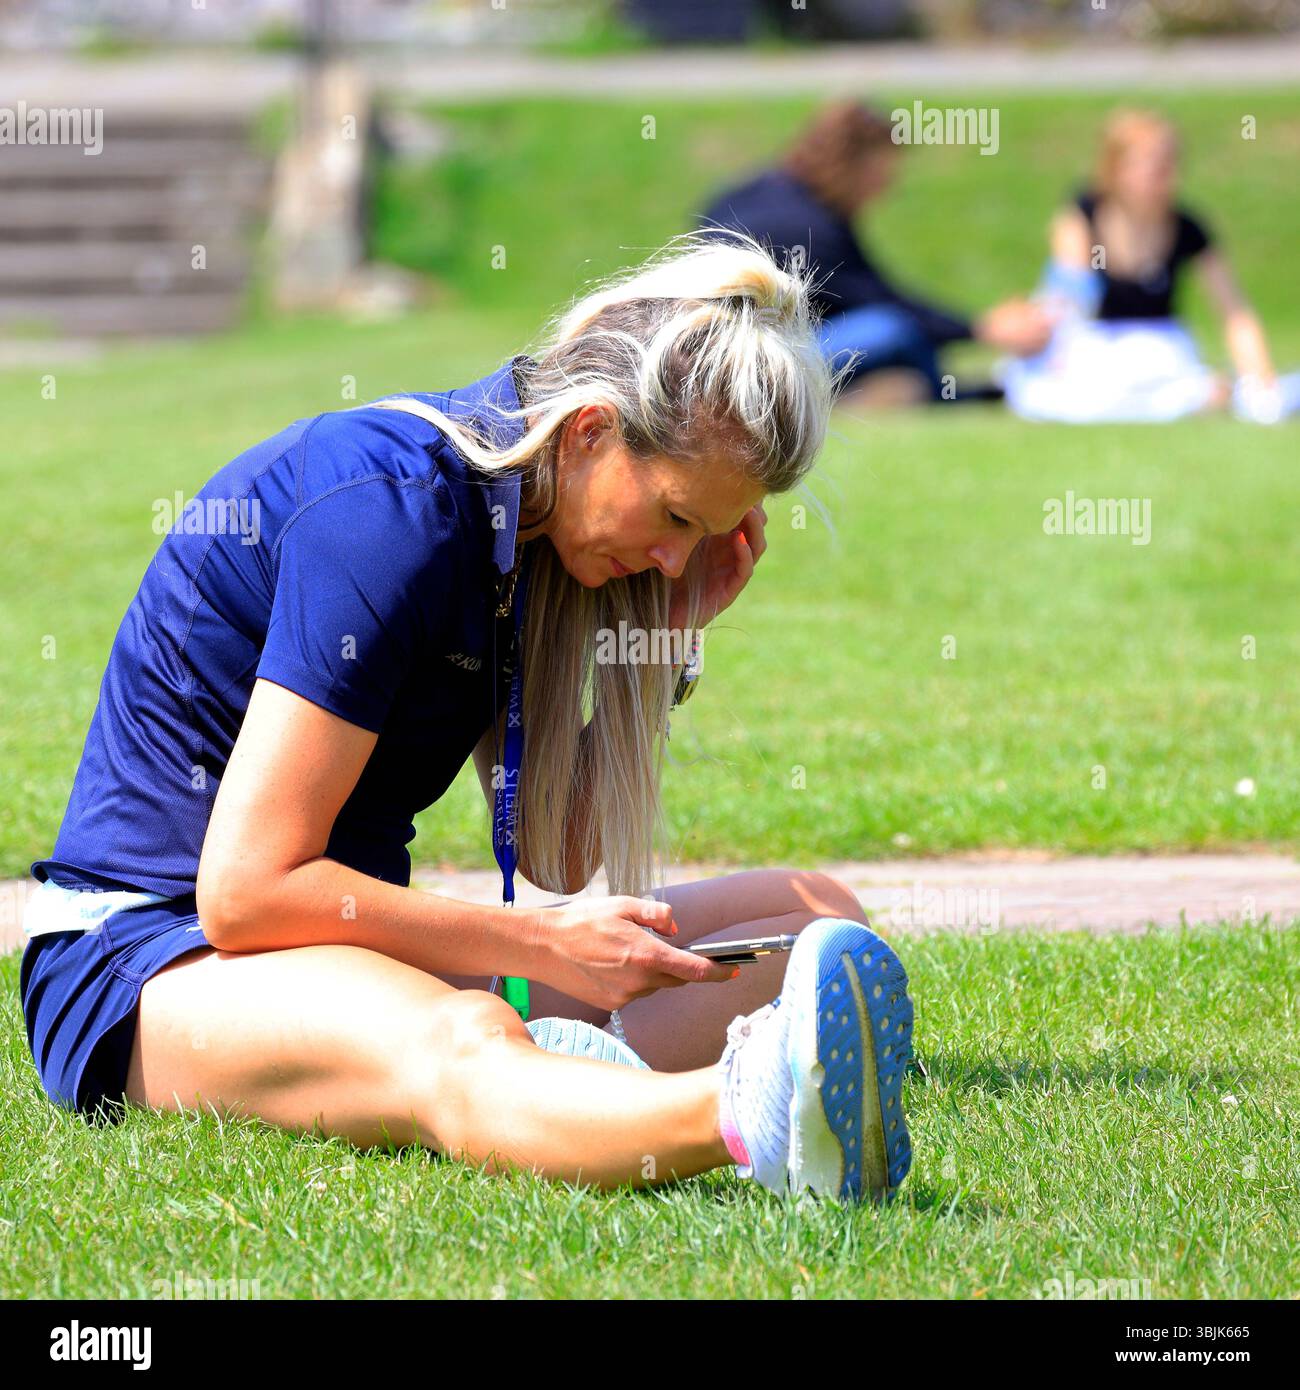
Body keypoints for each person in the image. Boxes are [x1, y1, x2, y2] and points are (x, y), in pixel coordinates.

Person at [18, 230, 915, 1202]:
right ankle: (745, 1113)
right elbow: (245, 894)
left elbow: (558, 856)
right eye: (673, 519)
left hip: (336, 949)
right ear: (586, 432)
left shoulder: (537, 528)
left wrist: (665, 637)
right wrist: (536, 945)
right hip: (151, 954)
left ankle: (569, 1089)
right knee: (464, 1034)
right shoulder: (388, 513)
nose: (673, 559)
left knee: (815, 918)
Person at [695, 99, 1050, 406]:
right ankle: (947, 397)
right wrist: (982, 329)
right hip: (754, 357)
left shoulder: (757, 192)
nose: (887, 185)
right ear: (852, 163)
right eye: (882, 170)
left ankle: (921, 393)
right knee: (888, 329)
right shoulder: (807, 227)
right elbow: (881, 301)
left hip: (717, 347)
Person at [1003, 108, 1300, 423]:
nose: (1158, 174)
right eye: (1144, 163)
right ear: (1114, 168)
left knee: (1204, 388)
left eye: (1166, 163)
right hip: (1097, 344)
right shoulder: (1084, 216)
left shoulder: (1187, 228)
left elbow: (1234, 313)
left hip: (1160, 348)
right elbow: (1067, 297)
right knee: (1053, 391)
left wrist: (1259, 374)